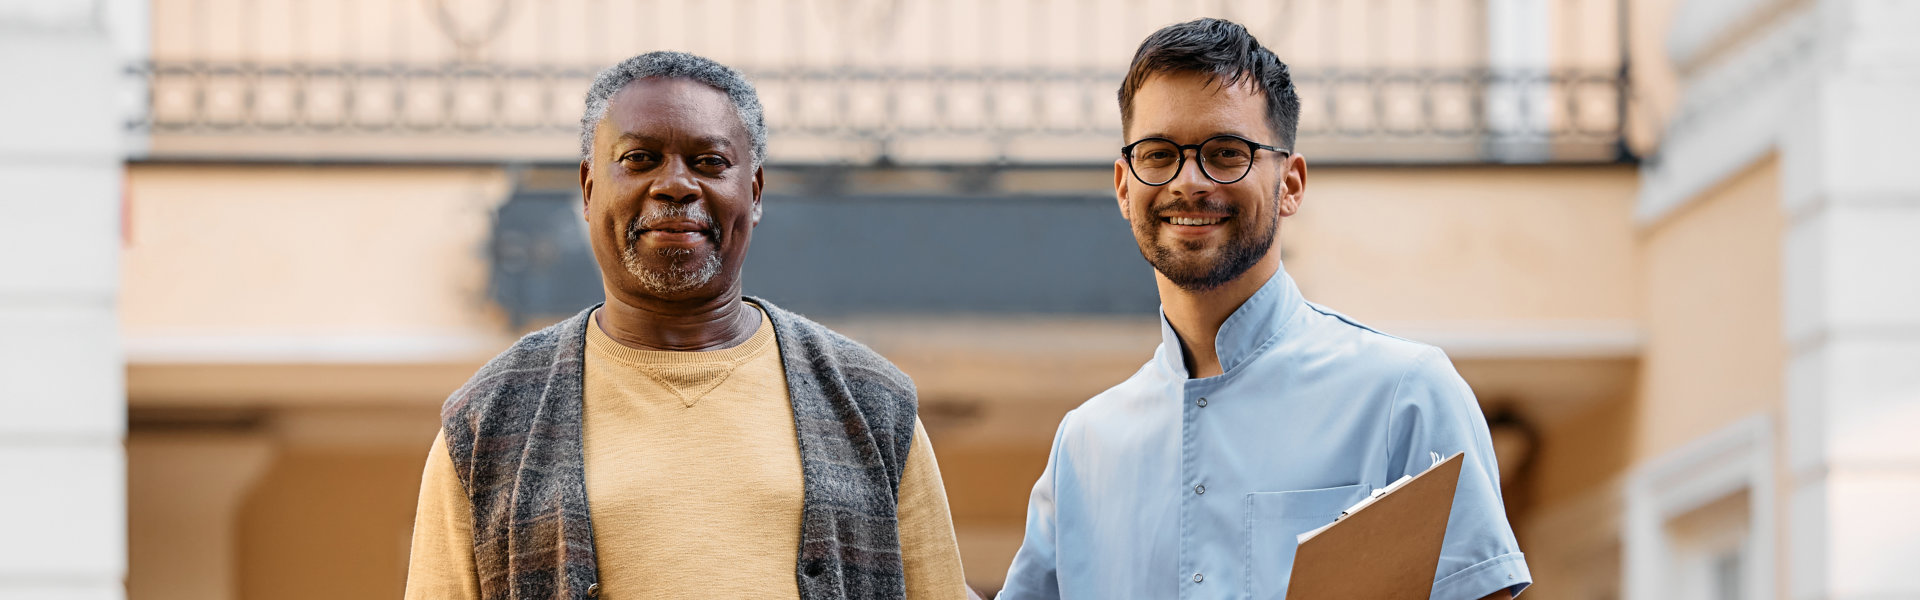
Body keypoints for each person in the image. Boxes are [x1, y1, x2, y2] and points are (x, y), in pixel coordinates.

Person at [403, 51, 969, 600]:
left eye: (710, 162)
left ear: (753, 191)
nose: (675, 185)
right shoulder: (489, 422)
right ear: (587, 187)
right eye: (639, 159)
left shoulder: (871, 405)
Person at [997, 19, 1530, 600]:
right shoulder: (1084, 445)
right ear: (1125, 187)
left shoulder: (1405, 394)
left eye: (1226, 153)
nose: (1190, 181)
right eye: (1159, 155)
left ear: (1291, 184)